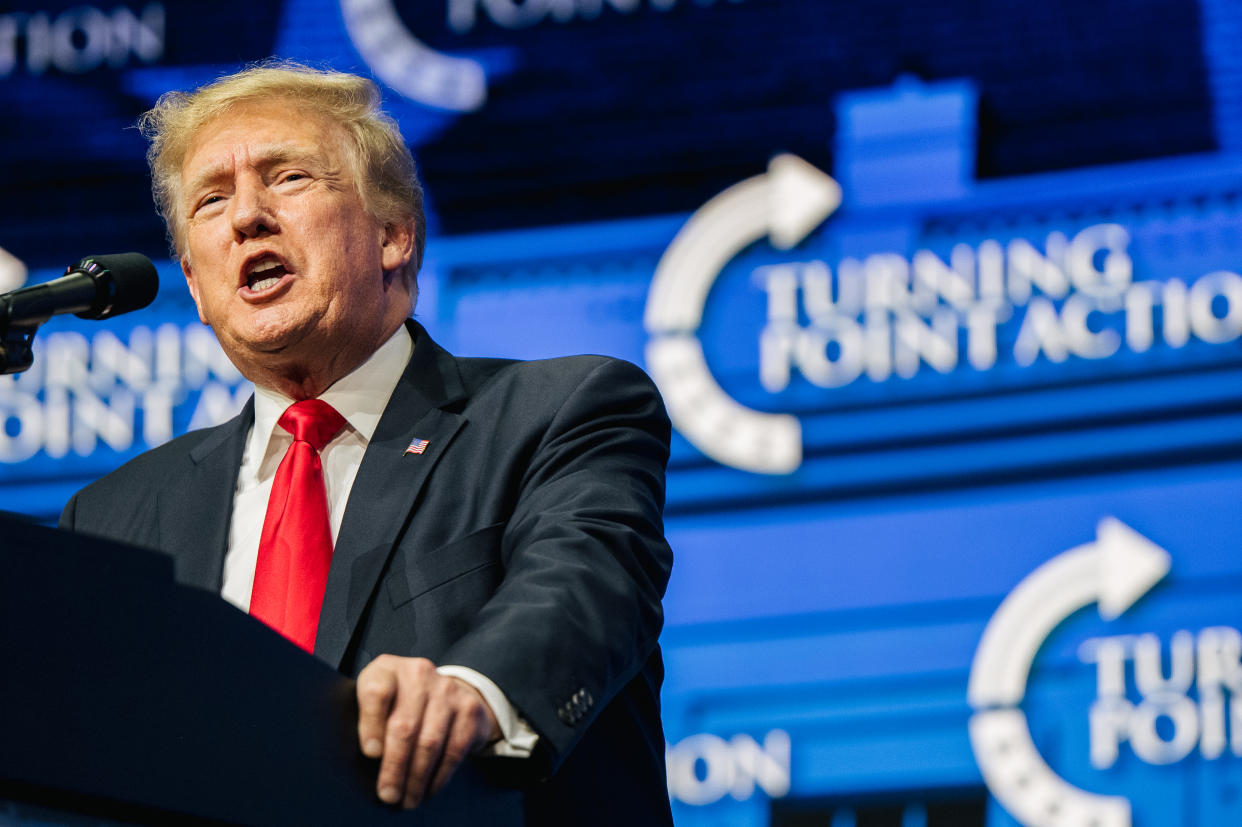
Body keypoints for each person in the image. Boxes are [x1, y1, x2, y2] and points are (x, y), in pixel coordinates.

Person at [58, 61, 674, 824]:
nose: (245, 216)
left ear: (393, 234)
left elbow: (584, 587)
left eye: (286, 178)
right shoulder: (114, 515)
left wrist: (473, 690)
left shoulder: (558, 412)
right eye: (211, 200)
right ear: (195, 283)